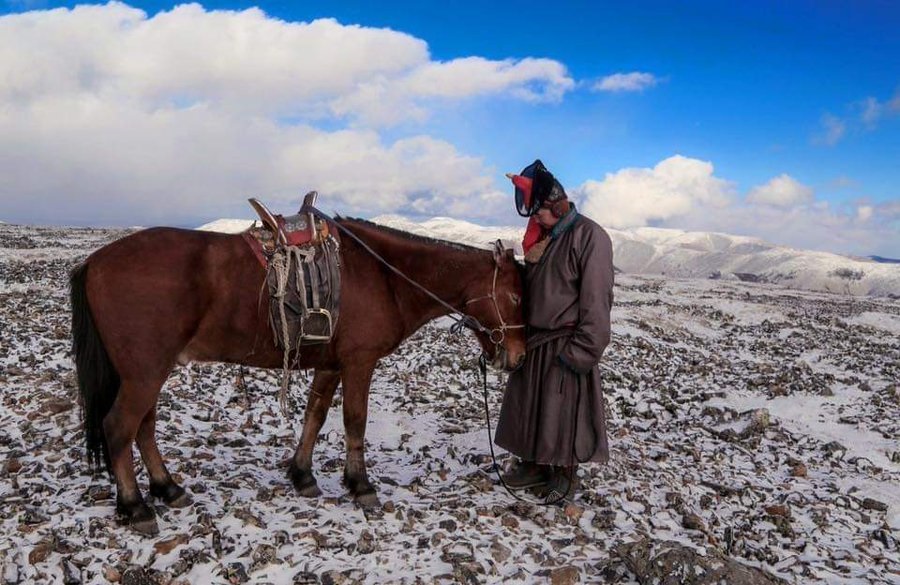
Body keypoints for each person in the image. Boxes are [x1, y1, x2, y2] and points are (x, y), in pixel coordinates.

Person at [494, 159, 614, 501]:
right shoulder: (547, 239)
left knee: (561, 413)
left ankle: (563, 473)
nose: (535, 220)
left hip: (566, 341)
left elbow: (596, 299)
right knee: (530, 408)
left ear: (558, 206)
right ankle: (534, 464)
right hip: (537, 337)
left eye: (540, 213)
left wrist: (582, 352)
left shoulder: (590, 237)